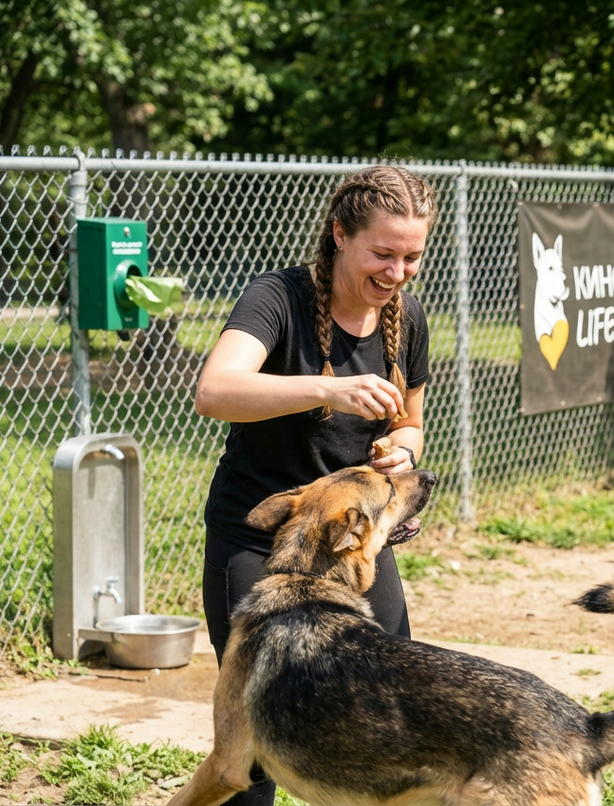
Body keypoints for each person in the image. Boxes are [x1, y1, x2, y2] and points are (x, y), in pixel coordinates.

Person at [193, 165, 436, 805]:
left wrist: (400, 451)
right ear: (339, 234)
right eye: (383, 253)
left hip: (350, 542)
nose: (398, 272)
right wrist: (329, 388)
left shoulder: (407, 318)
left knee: (389, 712)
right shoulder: (278, 297)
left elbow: (411, 424)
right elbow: (214, 391)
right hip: (263, 539)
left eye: (411, 256)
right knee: (253, 743)